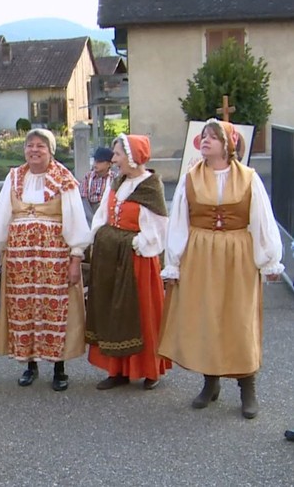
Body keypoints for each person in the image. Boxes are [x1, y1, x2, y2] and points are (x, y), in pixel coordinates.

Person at [159, 119, 283, 419]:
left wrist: (269, 259)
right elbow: (178, 222)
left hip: (237, 253)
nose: (205, 141)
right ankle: (210, 382)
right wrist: (173, 264)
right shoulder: (191, 178)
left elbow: (261, 219)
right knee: (206, 317)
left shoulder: (249, 178)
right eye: (203, 136)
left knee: (238, 318)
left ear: (228, 145)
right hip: (200, 254)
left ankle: (247, 386)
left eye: (213, 137)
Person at [0, 128, 90, 391]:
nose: (34, 150)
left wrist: (75, 258)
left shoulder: (64, 179)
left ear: (51, 151)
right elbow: (1, 215)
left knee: (54, 309)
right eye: (30, 145)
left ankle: (59, 367)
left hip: (53, 257)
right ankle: (30, 364)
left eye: (40, 146)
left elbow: (76, 220)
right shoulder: (13, 178)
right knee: (25, 308)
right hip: (20, 258)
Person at [85, 134, 171, 390]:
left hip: (138, 263)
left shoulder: (150, 186)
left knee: (142, 315)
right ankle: (118, 369)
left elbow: (159, 228)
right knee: (114, 313)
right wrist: (100, 236)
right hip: (112, 258)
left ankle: (150, 370)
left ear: (133, 158)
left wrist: (137, 243)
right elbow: (102, 214)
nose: (114, 159)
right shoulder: (118, 183)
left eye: (119, 154)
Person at [80, 147, 115, 218]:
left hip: (107, 213)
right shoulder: (88, 177)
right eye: (95, 161)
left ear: (109, 164)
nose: (95, 164)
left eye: (100, 162)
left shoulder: (114, 178)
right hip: (89, 212)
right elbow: (83, 199)